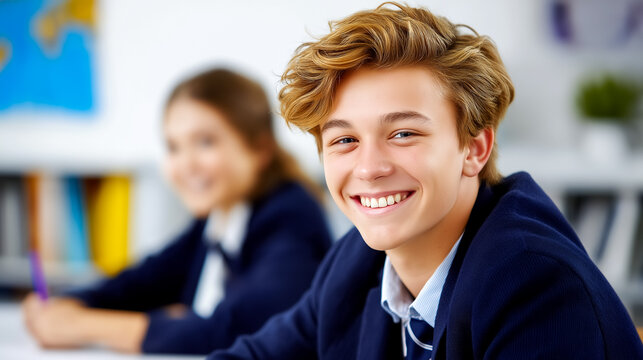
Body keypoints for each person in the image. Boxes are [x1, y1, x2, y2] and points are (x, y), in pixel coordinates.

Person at [207, 3, 643, 359]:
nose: (369, 167)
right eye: (344, 139)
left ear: (473, 149)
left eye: (403, 134)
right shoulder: (357, 264)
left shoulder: (534, 287)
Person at [21, 68, 332, 355]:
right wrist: (69, 304)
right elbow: (143, 282)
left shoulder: (291, 218)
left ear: (260, 149)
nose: (185, 165)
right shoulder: (221, 216)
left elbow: (241, 329)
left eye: (205, 142)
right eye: (173, 147)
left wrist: (82, 326)